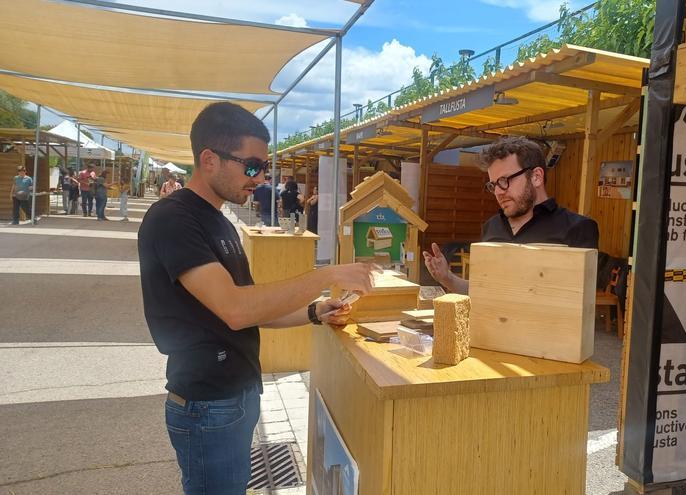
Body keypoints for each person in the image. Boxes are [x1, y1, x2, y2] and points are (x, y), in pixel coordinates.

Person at [137, 102, 375, 495]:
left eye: (263, 167)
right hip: (207, 403)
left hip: (233, 396)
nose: (261, 178)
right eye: (251, 167)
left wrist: (316, 312)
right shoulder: (174, 218)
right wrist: (328, 274)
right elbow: (236, 309)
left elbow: (251, 308)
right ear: (209, 159)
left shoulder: (217, 219)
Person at [423, 136, 599, 294]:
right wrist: (447, 278)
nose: (498, 192)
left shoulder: (578, 229)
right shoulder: (492, 227)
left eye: (504, 181)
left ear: (536, 177)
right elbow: (483, 289)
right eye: (493, 185)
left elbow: (578, 305)